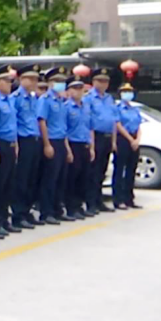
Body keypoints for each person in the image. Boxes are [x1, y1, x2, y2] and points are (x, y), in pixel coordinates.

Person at [36, 67, 70, 225]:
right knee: (49, 178)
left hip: (61, 141)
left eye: (63, 82)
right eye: (57, 81)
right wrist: (47, 144)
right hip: (52, 141)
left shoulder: (62, 101)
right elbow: (42, 121)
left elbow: (63, 126)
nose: (60, 85)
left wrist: (67, 148)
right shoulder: (45, 100)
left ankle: (57, 209)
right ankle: (46, 211)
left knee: (61, 178)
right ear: (49, 83)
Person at [11, 64, 42, 229]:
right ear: (21, 79)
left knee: (32, 178)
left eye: (36, 79)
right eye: (30, 78)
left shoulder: (34, 98)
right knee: (22, 178)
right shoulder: (15, 98)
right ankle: (18, 213)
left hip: (35, 139)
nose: (33, 82)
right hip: (23, 140)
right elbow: (13, 122)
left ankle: (27, 210)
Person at [0, 65, 21, 234]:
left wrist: (15, 145)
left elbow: (13, 125)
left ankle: (3, 218)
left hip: (10, 144)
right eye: (6, 81)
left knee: (8, 184)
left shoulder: (9, 100)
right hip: (0, 144)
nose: (10, 84)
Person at [85, 68, 117, 214]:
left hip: (107, 136)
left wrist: (114, 141)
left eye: (105, 81)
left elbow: (113, 120)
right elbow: (88, 121)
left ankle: (99, 201)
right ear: (93, 82)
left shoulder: (109, 98)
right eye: (100, 81)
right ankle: (91, 202)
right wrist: (91, 144)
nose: (103, 84)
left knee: (102, 171)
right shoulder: (89, 98)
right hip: (95, 136)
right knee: (93, 172)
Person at [62, 76, 93, 222]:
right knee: (71, 178)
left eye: (80, 89)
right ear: (68, 91)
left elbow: (90, 127)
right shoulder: (66, 107)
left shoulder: (86, 107)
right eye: (75, 88)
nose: (78, 92)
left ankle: (79, 206)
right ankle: (71, 208)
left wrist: (92, 147)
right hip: (73, 144)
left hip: (85, 144)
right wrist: (68, 150)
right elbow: (64, 130)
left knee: (83, 177)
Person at [112, 83, 143, 211]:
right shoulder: (117, 108)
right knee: (119, 170)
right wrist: (130, 140)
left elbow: (139, 126)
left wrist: (137, 140)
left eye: (130, 91)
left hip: (134, 139)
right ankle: (118, 200)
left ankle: (129, 199)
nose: (128, 94)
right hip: (123, 139)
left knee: (131, 170)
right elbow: (117, 125)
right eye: (125, 91)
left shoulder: (134, 109)